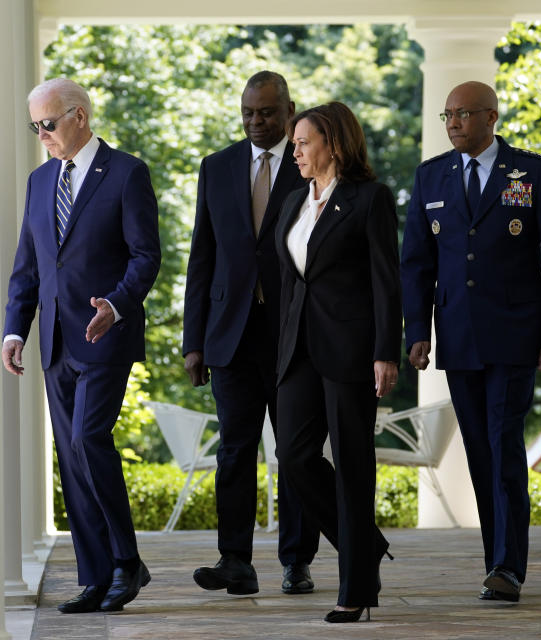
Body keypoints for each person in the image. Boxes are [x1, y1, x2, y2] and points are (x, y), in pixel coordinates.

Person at [401, 81, 541, 603]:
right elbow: (416, 264)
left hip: (516, 336)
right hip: (458, 339)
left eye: (462, 114)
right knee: (479, 450)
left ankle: (507, 568)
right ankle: (495, 562)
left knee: (503, 445)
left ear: (490, 117)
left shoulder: (533, 173)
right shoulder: (430, 175)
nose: (453, 123)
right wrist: (417, 332)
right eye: (447, 115)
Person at [2, 78, 161, 614]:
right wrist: (13, 330)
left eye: (48, 123)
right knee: (71, 457)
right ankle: (96, 578)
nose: (41, 134)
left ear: (80, 117)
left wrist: (116, 305)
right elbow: (29, 266)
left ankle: (127, 560)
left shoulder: (126, 174)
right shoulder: (39, 181)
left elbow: (146, 256)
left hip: (104, 333)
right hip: (54, 343)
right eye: (35, 125)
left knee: (89, 439)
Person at [183, 71, 320, 596]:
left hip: (294, 336)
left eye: (265, 112)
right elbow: (203, 257)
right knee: (235, 452)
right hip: (229, 336)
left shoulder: (310, 162)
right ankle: (235, 560)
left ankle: (296, 561)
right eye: (247, 113)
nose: (256, 122)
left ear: (289, 110)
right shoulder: (216, 167)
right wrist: (194, 340)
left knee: (296, 452)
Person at [274, 102, 401, 623]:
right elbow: (289, 283)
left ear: (333, 142)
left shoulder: (369, 200)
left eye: (303, 142)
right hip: (297, 350)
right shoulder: (291, 204)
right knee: (295, 456)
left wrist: (385, 351)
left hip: (351, 350)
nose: (295, 151)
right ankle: (365, 543)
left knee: (352, 464)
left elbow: (385, 282)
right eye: (295, 143)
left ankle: (355, 588)